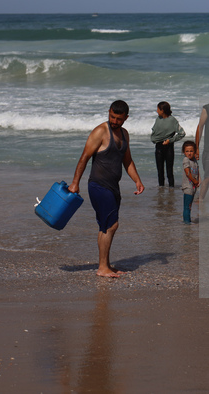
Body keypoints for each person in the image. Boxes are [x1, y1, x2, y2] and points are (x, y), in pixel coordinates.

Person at [68, 100, 145, 278]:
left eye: (119, 118)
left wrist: (137, 180)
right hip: (98, 185)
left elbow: (127, 161)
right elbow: (84, 157)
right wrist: (75, 183)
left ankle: (106, 265)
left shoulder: (125, 134)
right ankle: (102, 267)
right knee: (111, 224)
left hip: (113, 187)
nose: (114, 121)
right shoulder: (101, 131)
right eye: (112, 116)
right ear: (108, 112)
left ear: (126, 117)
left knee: (106, 226)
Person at [150, 101, 186, 188]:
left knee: (169, 171)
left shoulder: (172, 120)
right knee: (160, 171)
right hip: (158, 146)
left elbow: (182, 133)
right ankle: (161, 190)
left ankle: (171, 190)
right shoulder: (158, 119)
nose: (156, 111)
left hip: (168, 147)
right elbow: (155, 132)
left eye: (158, 109)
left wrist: (170, 140)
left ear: (162, 110)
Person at [181, 140, 199, 224]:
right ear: (184, 152)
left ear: (195, 151)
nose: (189, 153)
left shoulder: (194, 160)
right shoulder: (186, 160)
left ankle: (188, 221)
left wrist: (198, 181)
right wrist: (195, 181)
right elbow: (187, 172)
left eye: (191, 151)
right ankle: (187, 223)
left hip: (193, 186)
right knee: (187, 206)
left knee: (189, 206)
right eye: (187, 151)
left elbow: (197, 171)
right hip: (188, 186)